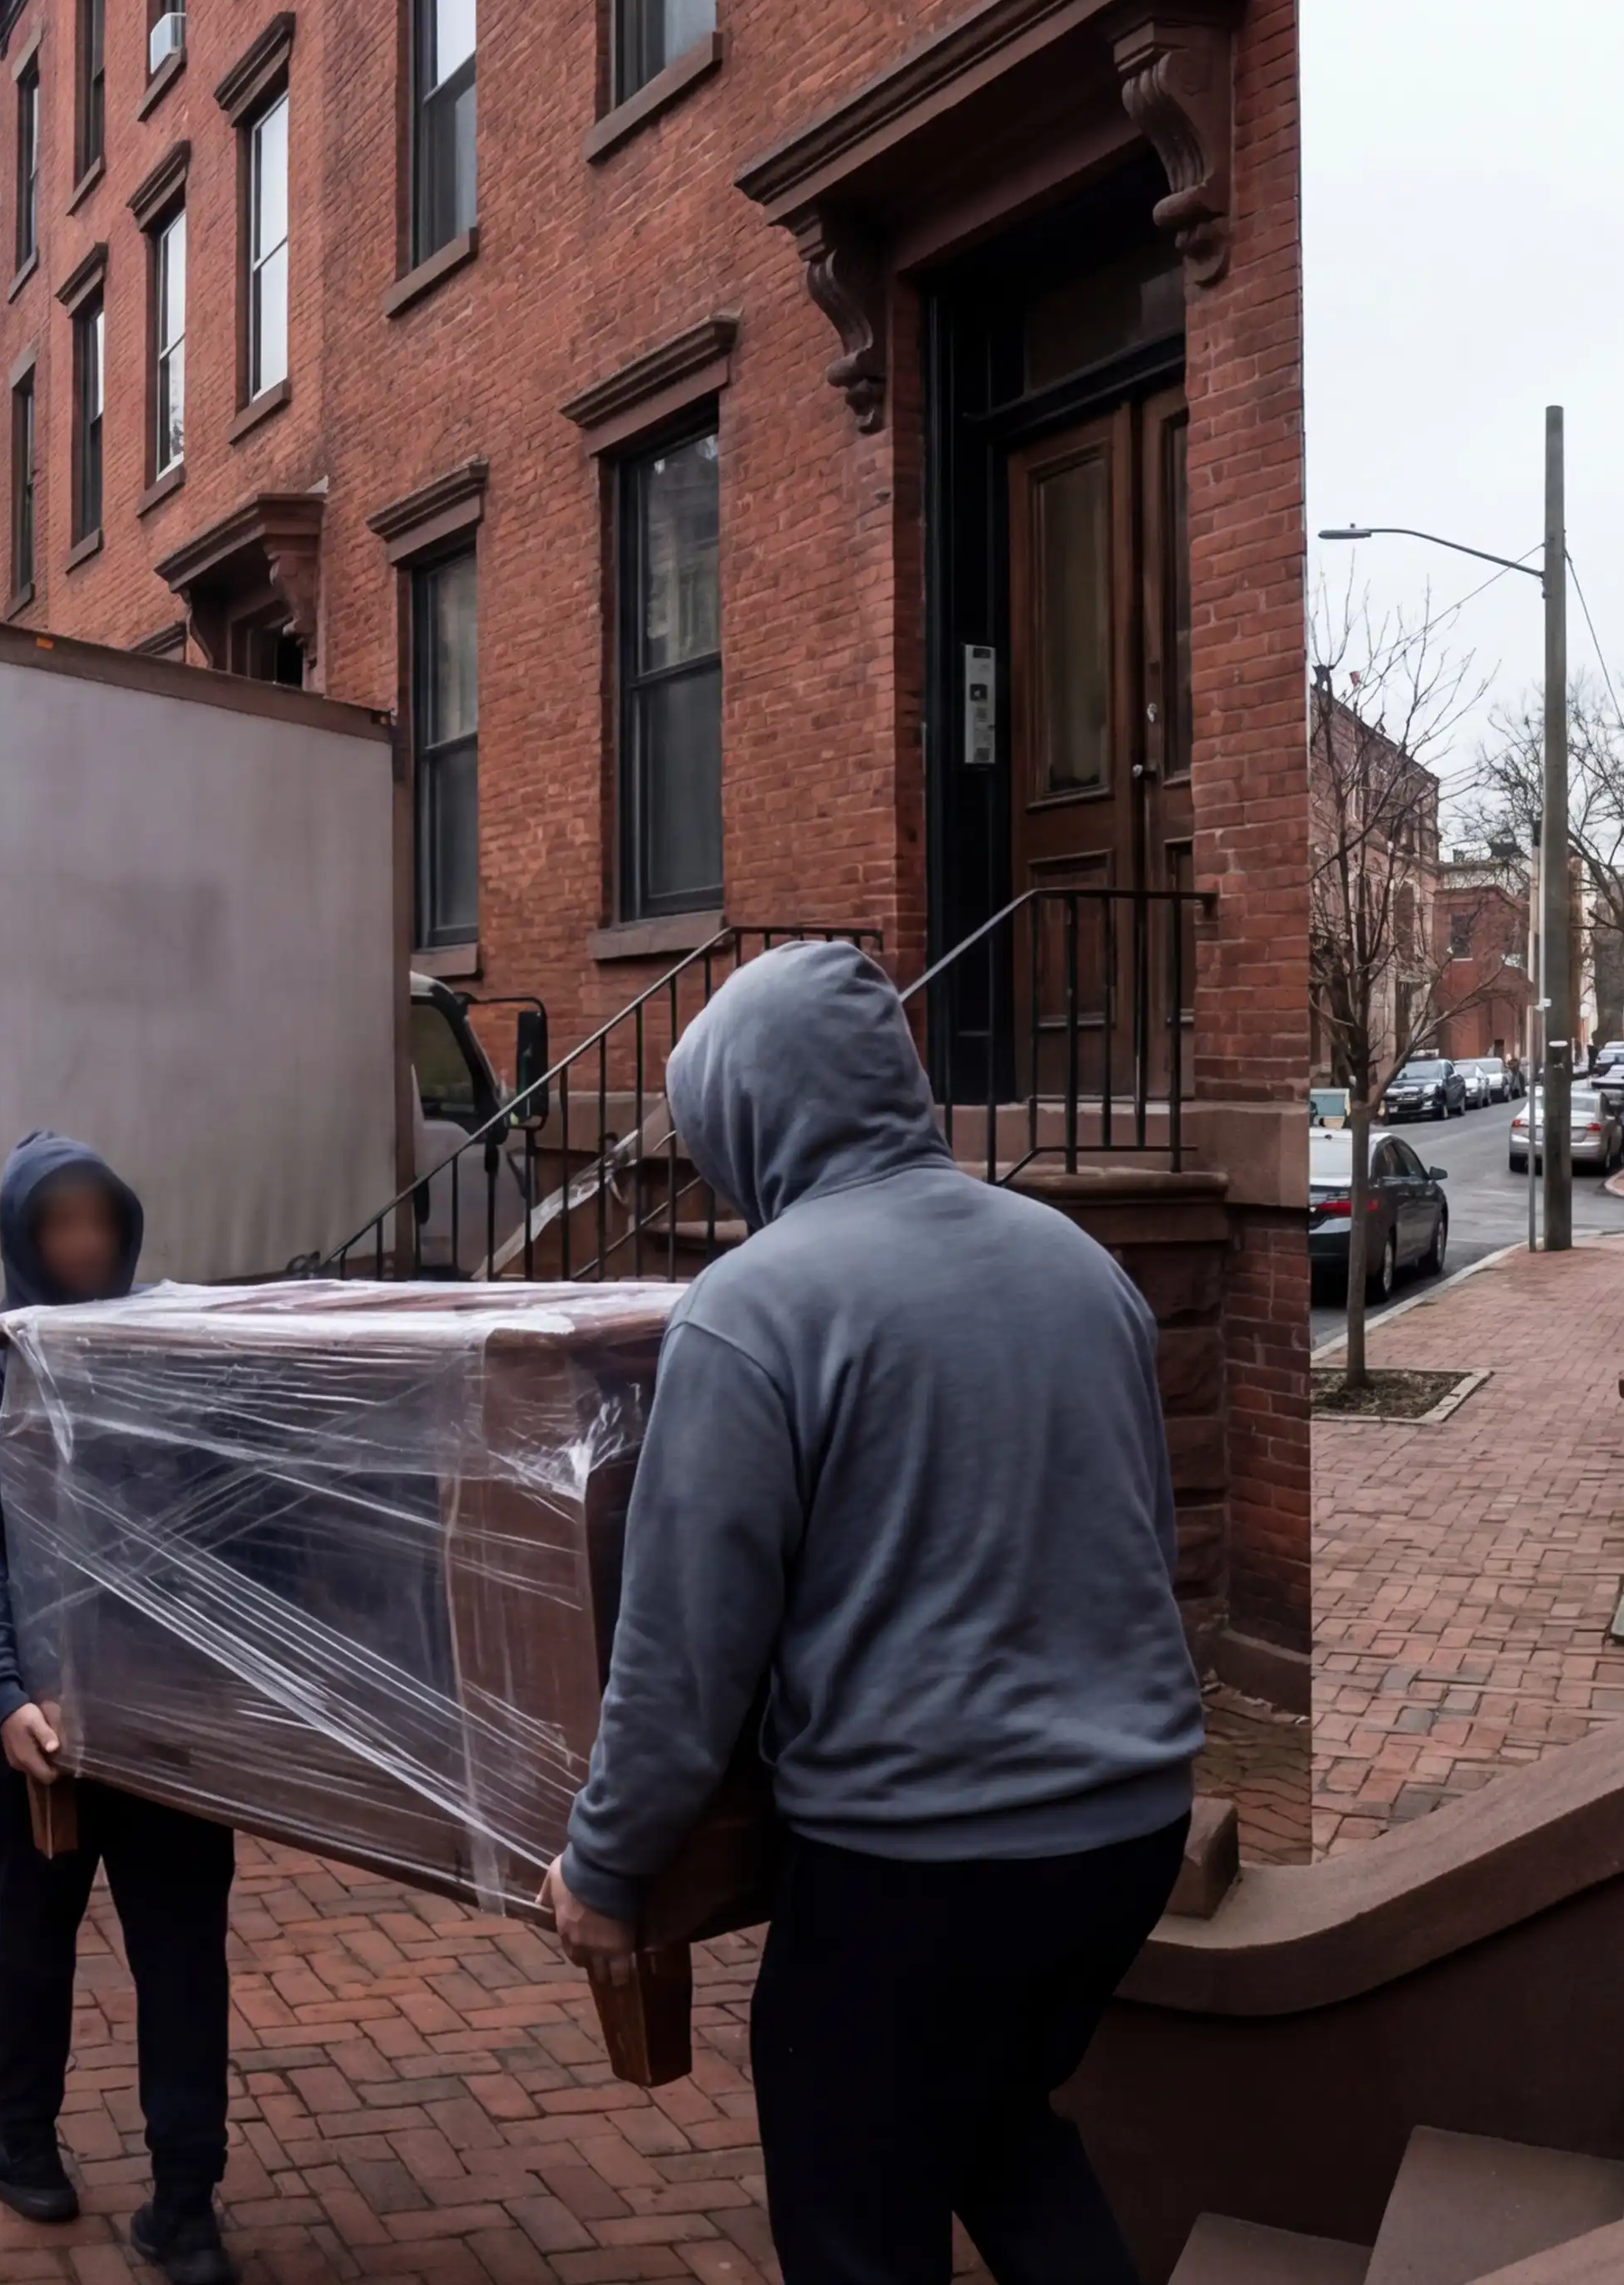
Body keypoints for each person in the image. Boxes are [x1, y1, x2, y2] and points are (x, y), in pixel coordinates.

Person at [543, 944, 1206, 2285]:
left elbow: (686, 1653)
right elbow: (1146, 1540)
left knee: (857, 2222)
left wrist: (606, 1869)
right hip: (1128, 1831)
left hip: (919, 1868)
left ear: (748, 1112)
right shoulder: (1080, 1265)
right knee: (1001, 2134)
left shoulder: (752, 1310)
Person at [0, 1132, 242, 2285]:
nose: (83, 1245)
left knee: (180, 1948)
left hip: (165, 1711)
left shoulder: (155, 1353)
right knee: (32, 1931)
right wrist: (3, 1699)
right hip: (44, 1725)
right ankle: (27, 2146)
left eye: (98, 1222)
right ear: (18, 1236)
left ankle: (188, 2205)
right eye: (57, 1225)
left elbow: (213, 1519)